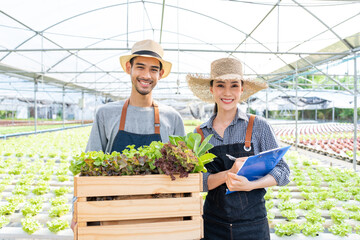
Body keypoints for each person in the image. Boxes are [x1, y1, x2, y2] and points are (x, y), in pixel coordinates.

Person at [71, 39, 186, 231]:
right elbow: (88, 169)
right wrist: (77, 207)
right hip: (112, 217)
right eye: (140, 67)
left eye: (153, 70)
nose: (146, 75)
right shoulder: (106, 114)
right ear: (128, 68)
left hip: (160, 220)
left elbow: (183, 176)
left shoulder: (172, 118)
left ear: (161, 74)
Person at [187, 58, 290, 240]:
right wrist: (228, 174)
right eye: (220, 85)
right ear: (212, 89)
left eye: (234, 85)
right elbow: (197, 182)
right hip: (213, 225)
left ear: (242, 89)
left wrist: (251, 185)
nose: (227, 92)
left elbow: (282, 171)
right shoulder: (199, 134)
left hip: (253, 225)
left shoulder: (258, 126)